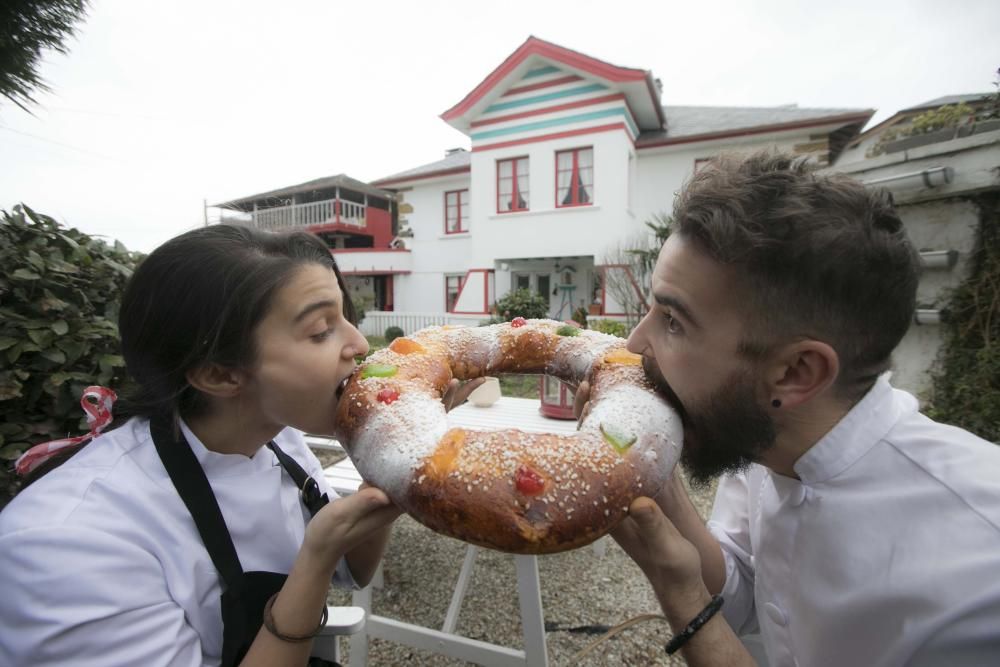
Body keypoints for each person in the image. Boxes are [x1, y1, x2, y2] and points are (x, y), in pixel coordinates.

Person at [580, 152, 1000, 666]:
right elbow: (743, 593)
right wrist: (659, 490)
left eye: (673, 321)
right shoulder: (766, 434)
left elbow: (703, 602)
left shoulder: (979, 583)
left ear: (796, 373)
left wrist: (680, 595)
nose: (634, 343)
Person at [0, 224, 479, 666]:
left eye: (346, 317)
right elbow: (324, 566)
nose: (358, 344)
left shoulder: (280, 441)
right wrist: (313, 562)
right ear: (219, 374)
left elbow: (351, 572)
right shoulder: (69, 545)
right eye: (320, 330)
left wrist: (393, 459)